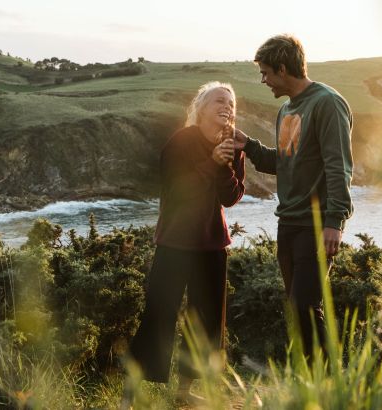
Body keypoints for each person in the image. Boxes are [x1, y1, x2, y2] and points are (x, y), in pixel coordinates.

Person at [232, 34, 354, 358]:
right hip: (287, 223)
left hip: (315, 225)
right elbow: (285, 162)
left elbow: (338, 166)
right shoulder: (286, 110)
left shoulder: (327, 103)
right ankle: (314, 384)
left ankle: (328, 386)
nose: (263, 80)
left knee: (305, 305)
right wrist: (250, 146)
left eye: (266, 72)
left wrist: (335, 222)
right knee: (297, 308)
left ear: (283, 69)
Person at [125, 81, 244, 405]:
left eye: (232, 103)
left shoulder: (233, 144)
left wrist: (225, 166)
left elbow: (231, 197)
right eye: (220, 100)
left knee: (206, 320)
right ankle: (131, 392)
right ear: (202, 107)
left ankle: (184, 392)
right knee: (159, 313)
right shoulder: (181, 141)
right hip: (176, 241)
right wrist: (212, 163)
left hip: (212, 244)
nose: (228, 106)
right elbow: (177, 189)